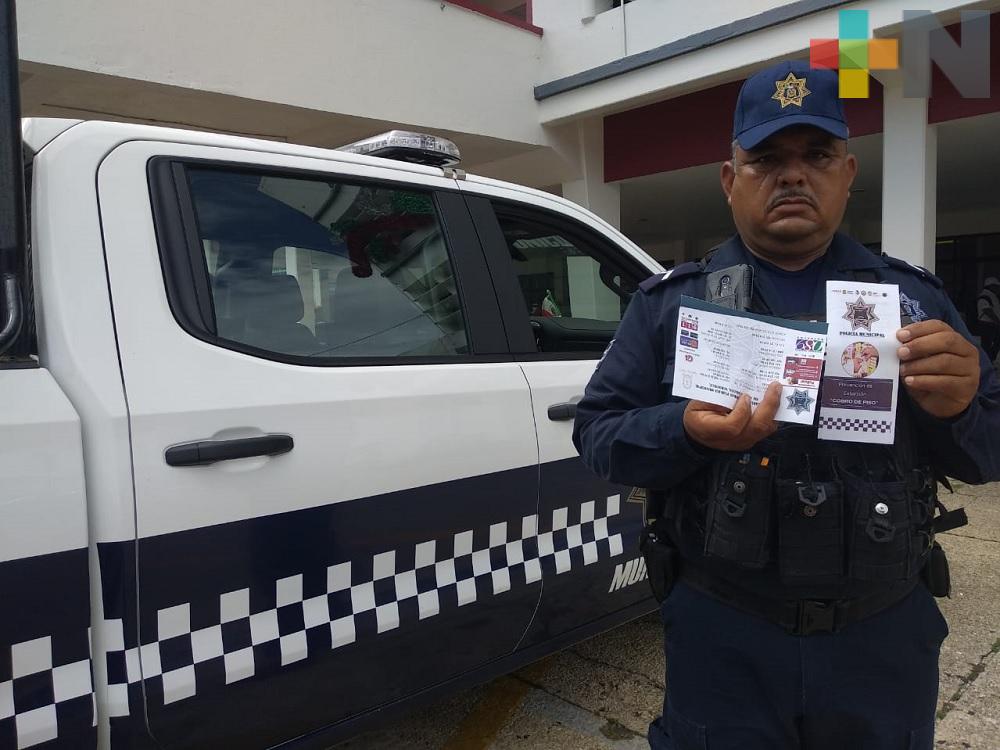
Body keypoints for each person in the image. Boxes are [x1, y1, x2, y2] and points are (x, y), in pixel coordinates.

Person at [573, 60, 1000, 750]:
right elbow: (597, 433)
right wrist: (683, 431)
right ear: (729, 179)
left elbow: (989, 450)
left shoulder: (916, 305)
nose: (792, 175)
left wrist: (958, 409)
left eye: (817, 156)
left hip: (883, 639)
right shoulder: (670, 307)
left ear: (848, 173)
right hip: (725, 637)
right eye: (766, 158)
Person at [976, 276, 1000, 362]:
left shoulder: (992, 296)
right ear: (990, 286)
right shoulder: (985, 296)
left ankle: (989, 360)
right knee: (987, 345)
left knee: (992, 343)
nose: (998, 288)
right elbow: (987, 310)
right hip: (987, 324)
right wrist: (997, 321)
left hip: (991, 324)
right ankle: (986, 361)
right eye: (996, 286)